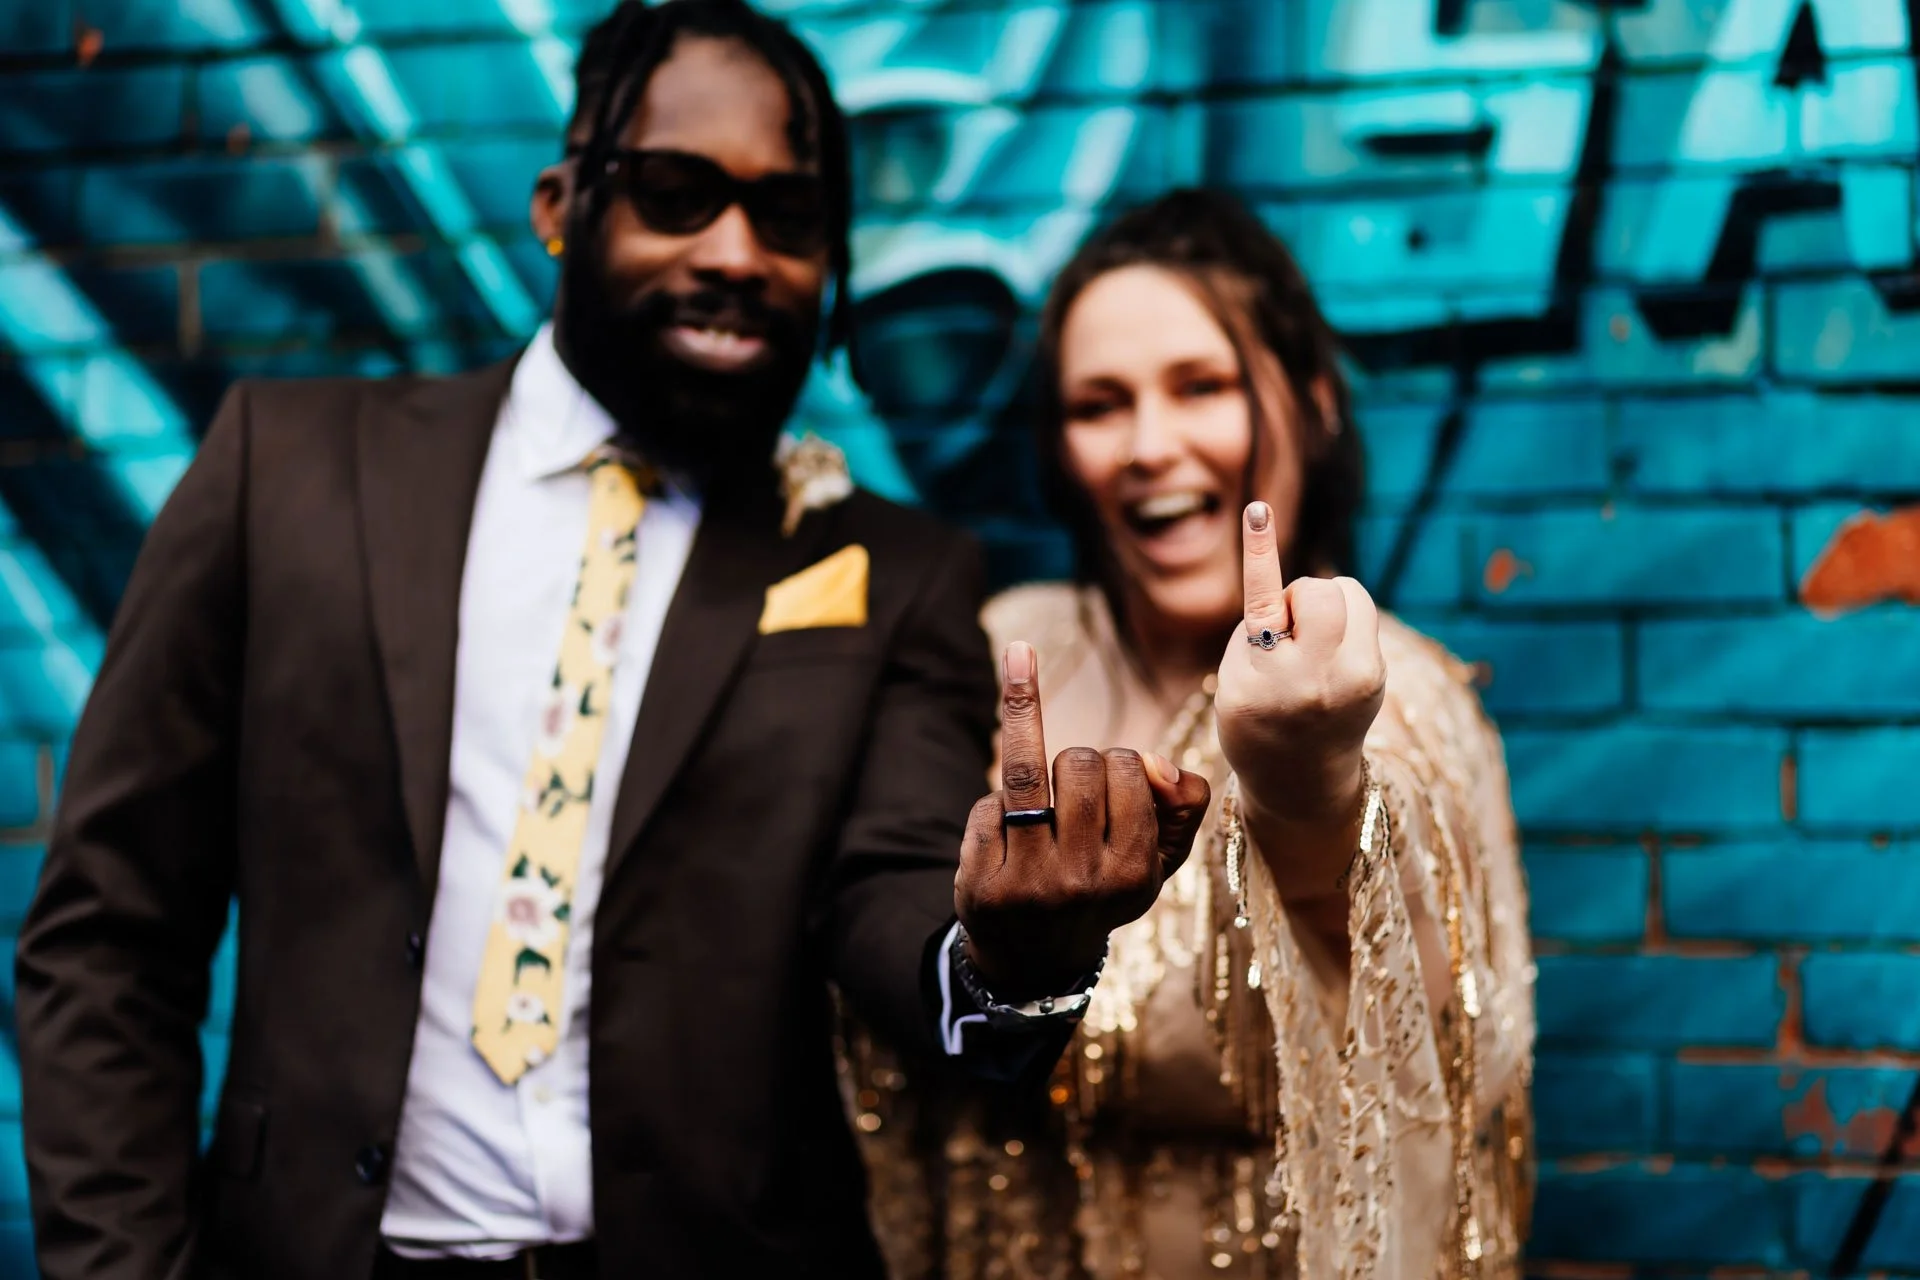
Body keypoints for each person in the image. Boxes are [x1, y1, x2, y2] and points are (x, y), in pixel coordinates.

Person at [12, 5, 1213, 1277]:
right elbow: (108, 931)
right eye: (676, 194)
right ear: (560, 204)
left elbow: (900, 896)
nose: (738, 252)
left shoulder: (896, 571)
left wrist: (1007, 951)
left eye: (791, 218)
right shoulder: (290, 471)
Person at [840, 189, 1536, 1279]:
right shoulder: (996, 651)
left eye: (1202, 387)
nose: (1147, 446)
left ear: (1311, 403)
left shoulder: (1398, 697)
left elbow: (1406, 1040)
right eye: (1098, 404)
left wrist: (1304, 780)